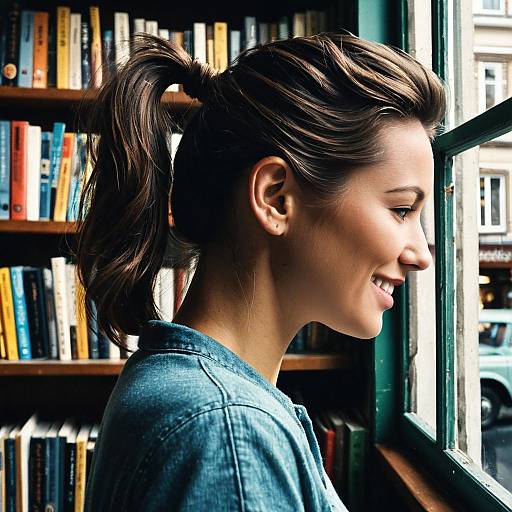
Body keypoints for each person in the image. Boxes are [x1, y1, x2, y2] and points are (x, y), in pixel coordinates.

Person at [77, 30, 447, 511]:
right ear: (276, 198)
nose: (421, 253)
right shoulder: (227, 432)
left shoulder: (195, 396)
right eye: (401, 209)